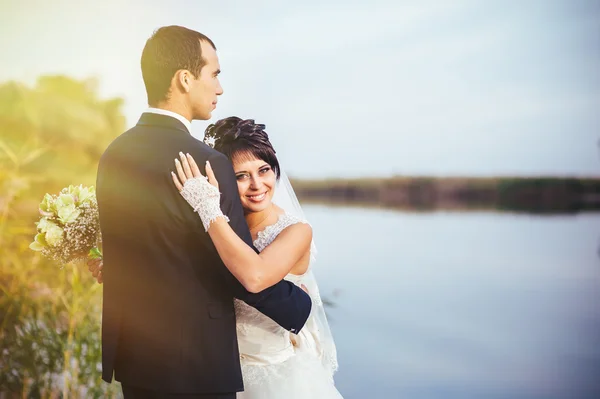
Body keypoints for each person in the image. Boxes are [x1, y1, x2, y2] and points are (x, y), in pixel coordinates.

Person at [93, 26, 312, 399]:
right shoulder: (205, 162)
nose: (219, 88)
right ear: (184, 78)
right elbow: (233, 269)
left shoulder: (114, 155)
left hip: (135, 355)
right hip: (198, 362)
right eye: (214, 75)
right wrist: (297, 304)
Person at [170, 117, 342, 399]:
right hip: (213, 369)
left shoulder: (296, 231)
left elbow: (255, 277)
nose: (257, 184)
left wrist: (206, 206)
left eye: (264, 170)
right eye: (241, 176)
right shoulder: (220, 224)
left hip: (272, 377)